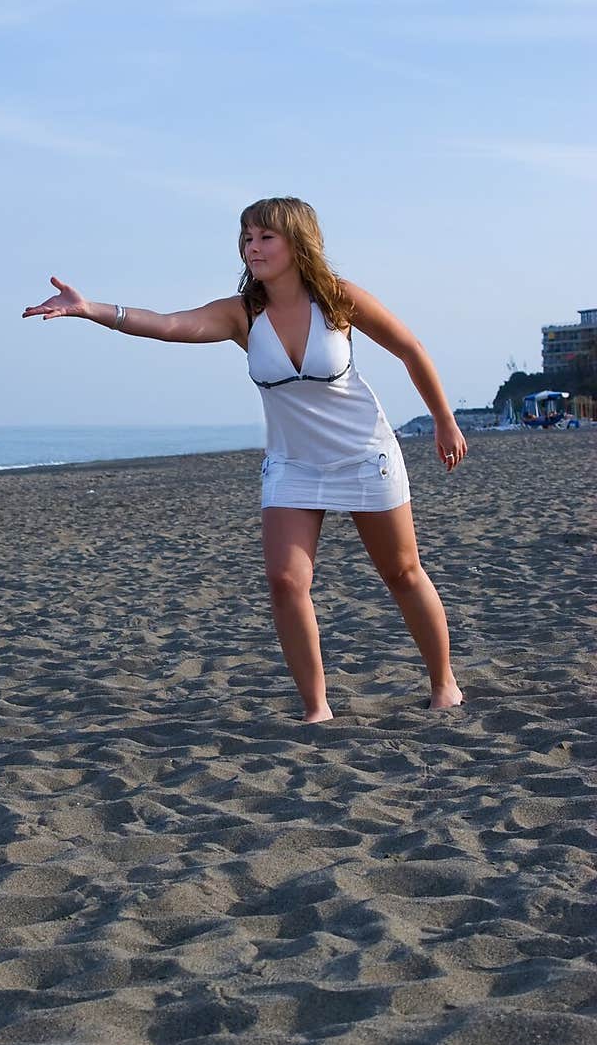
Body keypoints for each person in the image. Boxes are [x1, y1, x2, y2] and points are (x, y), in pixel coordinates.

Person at [23, 196, 466, 722]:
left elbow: (410, 348)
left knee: (402, 572)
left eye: (265, 237)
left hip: (364, 454)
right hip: (293, 464)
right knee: (285, 581)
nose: (252, 248)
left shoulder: (338, 300)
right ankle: (317, 707)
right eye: (247, 238)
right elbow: (169, 324)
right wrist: (90, 309)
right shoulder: (242, 314)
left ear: (297, 241)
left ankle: (444, 684)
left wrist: (443, 418)